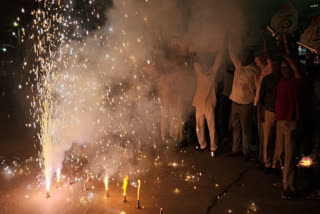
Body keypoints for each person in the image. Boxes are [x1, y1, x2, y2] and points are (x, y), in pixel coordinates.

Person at [272, 54, 309, 199]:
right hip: (281, 122)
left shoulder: (297, 81)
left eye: (287, 68)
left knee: (289, 157)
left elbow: (296, 70)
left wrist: (288, 56)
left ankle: (289, 188)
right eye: (282, 68)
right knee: (280, 154)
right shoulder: (282, 81)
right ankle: (284, 181)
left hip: (291, 122)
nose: (284, 70)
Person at [228, 46, 259, 160]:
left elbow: (258, 89)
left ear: (250, 57)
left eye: (245, 56)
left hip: (246, 103)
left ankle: (246, 152)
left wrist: (255, 104)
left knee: (246, 129)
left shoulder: (255, 71)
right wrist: (228, 43)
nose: (242, 58)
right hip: (235, 102)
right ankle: (235, 150)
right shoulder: (239, 65)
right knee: (236, 127)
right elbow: (232, 55)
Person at [193, 50, 223, 154]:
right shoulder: (199, 71)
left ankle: (213, 147)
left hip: (209, 104)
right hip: (199, 103)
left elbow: (218, 62)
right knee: (199, 125)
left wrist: (220, 50)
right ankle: (202, 145)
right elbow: (196, 62)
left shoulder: (212, 72)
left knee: (211, 126)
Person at [257, 57, 281, 173]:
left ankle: (275, 164)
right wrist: (259, 113)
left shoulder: (283, 79)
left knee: (278, 141)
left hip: (280, 113)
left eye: (278, 65)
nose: (276, 67)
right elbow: (260, 98)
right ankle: (267, 163)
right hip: (268, 112)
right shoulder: (267, 79)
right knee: (267, 139)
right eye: (274, 65)